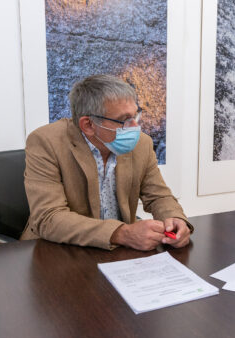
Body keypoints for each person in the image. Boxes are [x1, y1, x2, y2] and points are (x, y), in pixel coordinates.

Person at [21, 74, 192, 251]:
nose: (134, 127)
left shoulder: (142, 144)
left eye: (136, 116)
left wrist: (175, 219)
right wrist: (122, 233)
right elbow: (49, 218)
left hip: (118, 252)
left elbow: (158, 196)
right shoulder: (45, 142)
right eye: (124, 120)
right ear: (88, 125)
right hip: (59, 250)